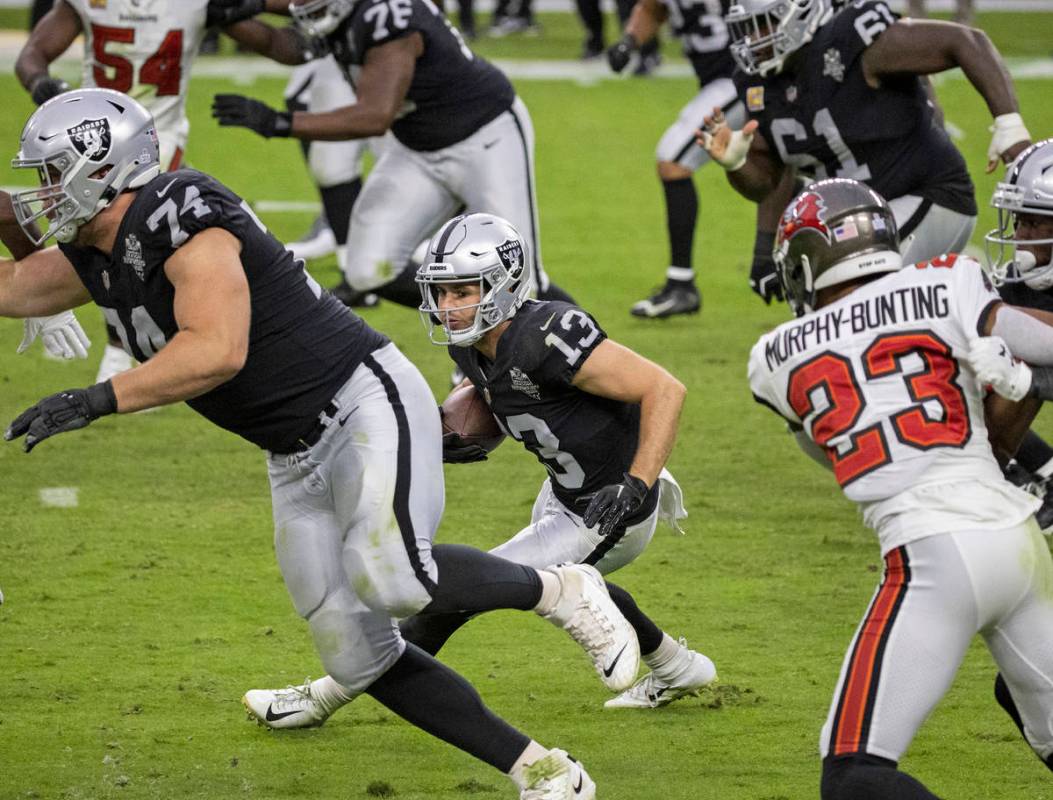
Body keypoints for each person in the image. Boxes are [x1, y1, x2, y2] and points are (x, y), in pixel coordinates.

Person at [0, 88, 653, 800]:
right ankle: (543, 771)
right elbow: (13, 287)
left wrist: (95, 399)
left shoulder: (178, 210)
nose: (40, 193)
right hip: (291, 450)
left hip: (361, 400)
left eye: (51, 173)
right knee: (353, 651)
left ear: (102, 168)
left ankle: (560, 586)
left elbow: (216, 349)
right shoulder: (94, 251)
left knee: (393, 577)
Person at [242, 212, 715, 729]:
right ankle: (678, 666)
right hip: (564, 494)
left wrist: (636, 482)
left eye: (464, 290)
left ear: (505, 284)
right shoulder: (473, 344)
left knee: (449, 598)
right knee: (564, 579)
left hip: (612, 505)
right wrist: (447, 433)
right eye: (442, 293)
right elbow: (496, 392)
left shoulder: (551, 333)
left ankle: (320, 698)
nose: (449, 307)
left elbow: (664, 389)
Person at [749, 177, 1053, 798]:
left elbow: (825, 444)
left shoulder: (773, 357)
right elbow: (1043, 348)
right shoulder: (947, 278)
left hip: (931, 555)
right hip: (1019, 543)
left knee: (854, 775)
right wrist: (1011, 385)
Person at [209, 0, 574, 310]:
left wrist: (279, 122)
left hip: (485, 139)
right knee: (367, 270)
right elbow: (288, 46)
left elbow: (375, 115)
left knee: (521, 281)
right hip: (417, 149)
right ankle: (472, 320)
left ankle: (598, 366)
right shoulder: (347, 12)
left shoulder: (389, 14)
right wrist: (228, 17)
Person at [14, 0, 297, 382]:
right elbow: (32, 54)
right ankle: (111, 339)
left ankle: (132, 351)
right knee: (90, 239)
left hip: (155, 143)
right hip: (91, 147)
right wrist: (41, 83)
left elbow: (284, 44)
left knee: (141, 247)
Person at [700, 0, 1032, 300]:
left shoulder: (849, 40)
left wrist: (1009, 125)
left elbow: (965, 41)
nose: (754, 40)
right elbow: (769, 182)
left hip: (928, 195)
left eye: (764, 23)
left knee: (845, 288)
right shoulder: (757, 82)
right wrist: (737, 163)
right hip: (862, 218)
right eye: (747, 29)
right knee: (823, 289)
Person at [608, 0, 781, 318]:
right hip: (718, 81)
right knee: (785, 168)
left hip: (743, 76)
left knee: (673, 157)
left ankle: (683, 284)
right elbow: (653, 7)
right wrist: (629, 41)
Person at [979, 138, 1053, 530]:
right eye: (1019, 221)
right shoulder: (1017, 280)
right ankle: (1007, 476)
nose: (1022, 235)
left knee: (1018, 369)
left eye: (1035, 222)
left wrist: (1028, 379)